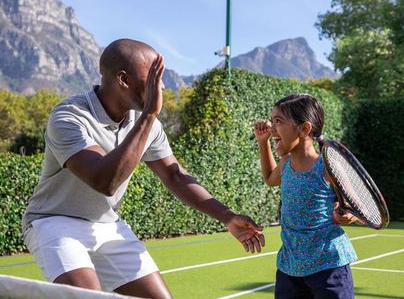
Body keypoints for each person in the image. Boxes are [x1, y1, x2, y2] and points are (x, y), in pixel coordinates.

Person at [22, 38, 265, 299]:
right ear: (123, 80)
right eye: (153, 78)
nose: (161, 87)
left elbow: (175, 175)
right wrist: (149, 114)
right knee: (87, 296)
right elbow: (105, 182)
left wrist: (227, 216)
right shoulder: (69, 117)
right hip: (55, 221)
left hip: (107, 224)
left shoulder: (146, 123)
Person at [253, 94, 359, 299]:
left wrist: (347, 216)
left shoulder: (328, 167)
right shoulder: (284, 164)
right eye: (272, 120)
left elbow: (359, 208)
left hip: (329, 267)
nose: (271, 127)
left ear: (304, 129)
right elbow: (269, 178)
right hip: (290, 268)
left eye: (278, 121)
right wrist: (262, 142)